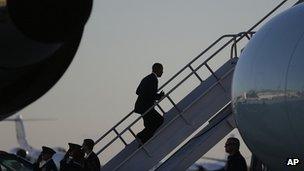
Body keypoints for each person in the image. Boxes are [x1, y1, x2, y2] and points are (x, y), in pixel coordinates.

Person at [135, 63, 165, 144]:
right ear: (157, 70)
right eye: (161, 70)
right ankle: (141, 136)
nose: (162, 72)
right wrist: (159, 96)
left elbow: (138, 92)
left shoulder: (146, 78)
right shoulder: (154, 79)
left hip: (141, 106)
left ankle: (142, 139)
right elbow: (151, 94)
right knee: (159, 120)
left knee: (149, 125)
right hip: (146, 107)